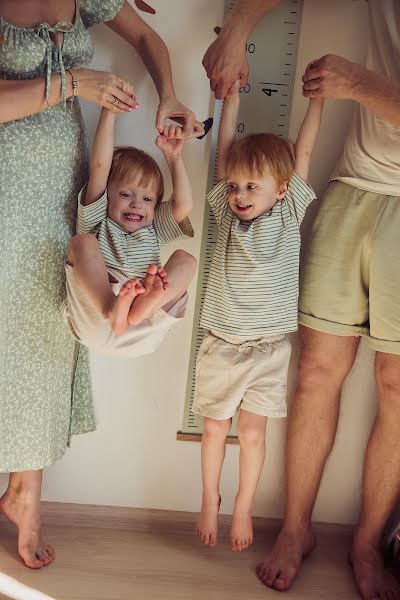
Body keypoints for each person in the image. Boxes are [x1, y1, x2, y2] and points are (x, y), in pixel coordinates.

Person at [0, 0, 199, 570]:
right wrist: (69, 84)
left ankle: (24, 493)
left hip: (64, 187)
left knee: (42, 332)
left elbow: (149, 40)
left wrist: (168, 95)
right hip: (7, 185)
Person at [256, 2, 400, 600]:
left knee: (397, 386)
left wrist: (358, 84)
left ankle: (366, 543)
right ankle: (295, 531)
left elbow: (359, 84)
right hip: (351, 189)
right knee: (316, 370)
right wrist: (239, 25)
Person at [192, 84, 323, 552]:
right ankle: (210, 497)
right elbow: (224, 154)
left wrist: (318, 102)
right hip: (221, 342)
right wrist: (231, 102)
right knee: (213, 428)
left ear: (282, 188)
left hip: (269, 350)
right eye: (234, 186)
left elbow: (303, 150)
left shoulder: (289, 212)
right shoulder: (227, 217)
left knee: (251, 432)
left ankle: (243, 506)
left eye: (252, 186)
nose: (240, 194)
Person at [65, 106, 197, 356]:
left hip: (143, 325)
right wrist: (109, 112)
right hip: (98, 314)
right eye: (126, 195)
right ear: (107, 195)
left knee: (187, 260)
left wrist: (174, 158)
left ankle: (140, 306)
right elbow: (101, 166)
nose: (137, 204)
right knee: (82, 242)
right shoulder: (97, 221)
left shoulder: (154, 229)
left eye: (147, 200)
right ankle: (112, 306)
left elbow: (184, 205)